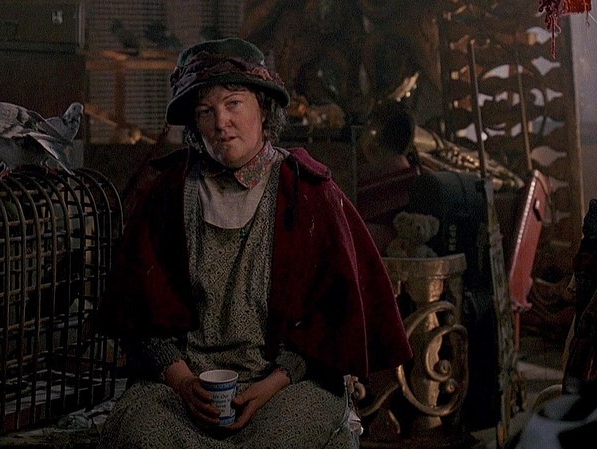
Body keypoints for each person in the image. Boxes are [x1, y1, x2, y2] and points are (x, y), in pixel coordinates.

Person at [96, 37, 412, 449]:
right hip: (188, 380)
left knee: (277, 441)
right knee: (140, 431)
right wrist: (184, 382)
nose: (221, 123)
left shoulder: (307, 192)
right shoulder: (169, 193)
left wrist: (271, 385)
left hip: (284, 384)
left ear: (263, 108)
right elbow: (137, 308)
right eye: (205, 111)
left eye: (233, 104)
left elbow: (335, 316)